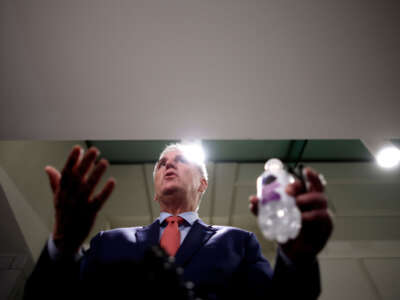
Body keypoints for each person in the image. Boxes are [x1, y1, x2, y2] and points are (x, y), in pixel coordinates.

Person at [24, 143, 333, 299]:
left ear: (202, 183)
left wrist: (297, 260)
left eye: (181, 160)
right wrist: (62, 247)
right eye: (161, 164)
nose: (168, 164)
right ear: (156, 192)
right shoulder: (108, 241)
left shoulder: (238, 242)